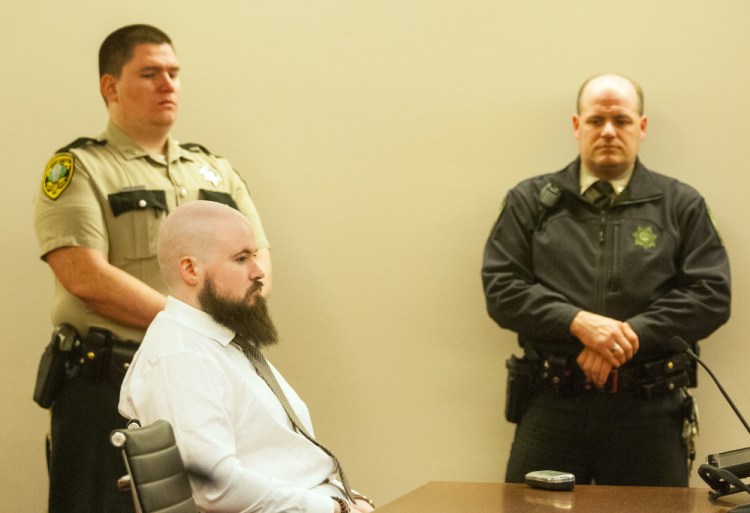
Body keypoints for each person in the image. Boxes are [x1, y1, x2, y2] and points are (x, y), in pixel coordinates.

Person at [33, 24, 271, 513]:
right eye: (150, 73)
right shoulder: (80, 169)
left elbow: (258, 260)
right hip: (110, 385)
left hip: (209, 379)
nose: (168, 84)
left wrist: (203, 334)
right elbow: (85, 276)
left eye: (174, 73)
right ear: (110, 86)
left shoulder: (214, 170)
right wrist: (197, 325)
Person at [481, 73, 730, 486]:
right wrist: (578, 323)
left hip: (648, 411)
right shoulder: (530, 201)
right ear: (577, 126)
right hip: (553, 406)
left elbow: (710, 295)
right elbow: (502, 288)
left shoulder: (680, 205)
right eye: (597, 120)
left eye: (622, 120)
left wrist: (628, 335)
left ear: (642, 127)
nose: (609, 131)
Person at [119, 201, 374, 513]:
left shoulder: (221, 341)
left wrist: (346, 500)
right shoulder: (182, 356)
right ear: (191, 270)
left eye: (255, 256)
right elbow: (215, 487)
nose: (258, 272)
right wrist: (332, 509)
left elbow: (284, 462)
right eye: (241, 259)